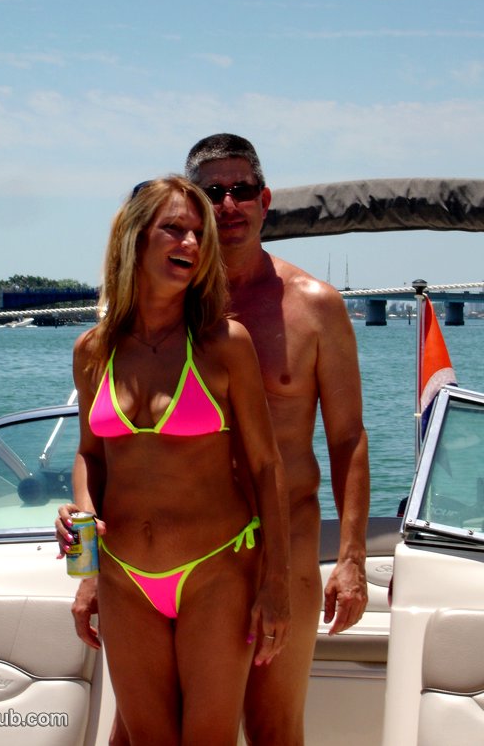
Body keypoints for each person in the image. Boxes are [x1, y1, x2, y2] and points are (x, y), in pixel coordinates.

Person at [56, 175, 290, 745]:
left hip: (216, 570)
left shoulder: (224, 343)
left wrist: (276, 582)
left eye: (198, 234)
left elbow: (266, 466)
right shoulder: (93, 351)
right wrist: (83, 555)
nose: (191, 243)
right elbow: (90, 455)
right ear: (135, 238)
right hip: (122, 577)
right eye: (175, 229)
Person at [184, 133, 370, 745]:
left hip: (285, 545)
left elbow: (347, 439)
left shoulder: (315, 307)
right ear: (193, 204)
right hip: (189, 545)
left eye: (241, 190)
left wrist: (351, 558)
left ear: (264, 201)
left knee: (273, 730)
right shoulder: (169, 307)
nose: (228, 204)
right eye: (213, 192)